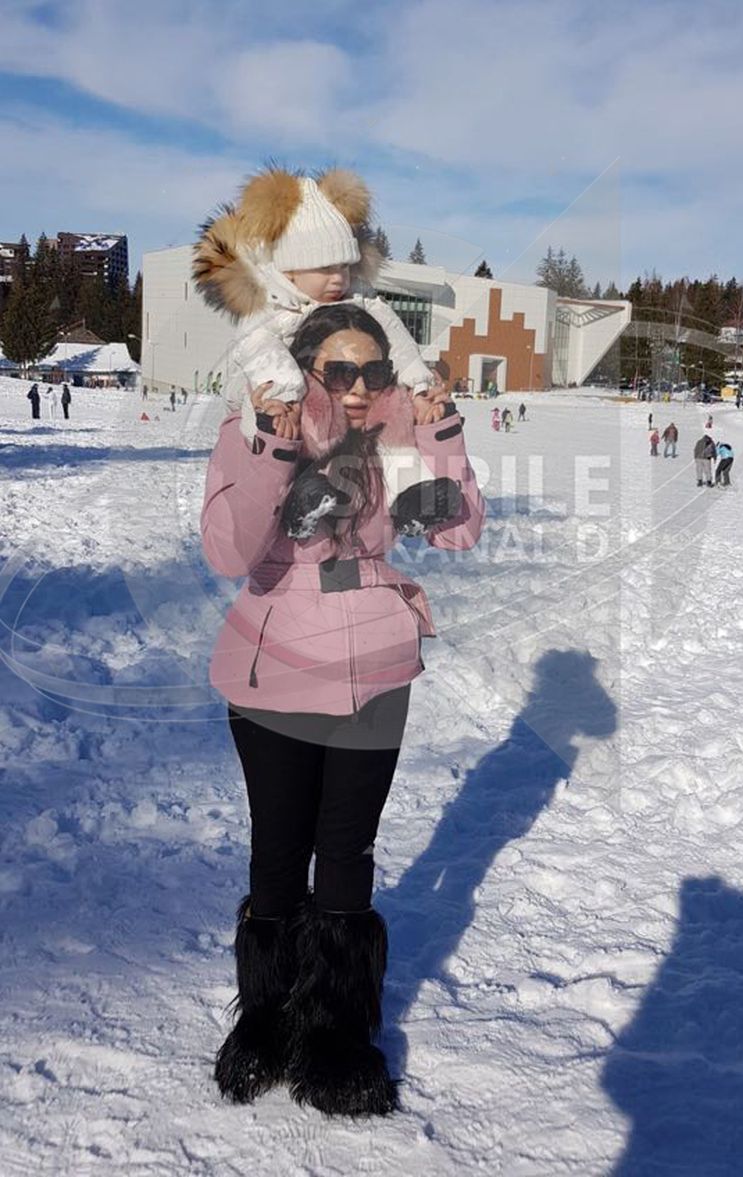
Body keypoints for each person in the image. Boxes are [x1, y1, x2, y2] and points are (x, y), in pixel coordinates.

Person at [200, 301, 485, 1118]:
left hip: (376, 671)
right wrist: (271, 441)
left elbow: (459, 531)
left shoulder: (399, 441)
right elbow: (229, 550)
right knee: (279, 850)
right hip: (276, 673)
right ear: (306, 371)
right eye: (340, 371)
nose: (359, 388)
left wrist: (441, 430)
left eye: (374, 371)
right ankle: (266, 1018)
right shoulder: (255, 427)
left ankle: (335, 1032)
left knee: (347, 851)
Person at [194, 165, 441, 520]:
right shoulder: (269, 310)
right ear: (290, 271)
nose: (339, 279)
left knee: (391, 407)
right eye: (325, 269)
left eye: (344, 267)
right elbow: (255, 346)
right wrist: (287, 388)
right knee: (305, 408)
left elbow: (395, 337)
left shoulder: (360, 301)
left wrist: (416, 380)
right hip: (273, 398)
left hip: (338, 393)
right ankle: (301, 491)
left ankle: (409, 490)